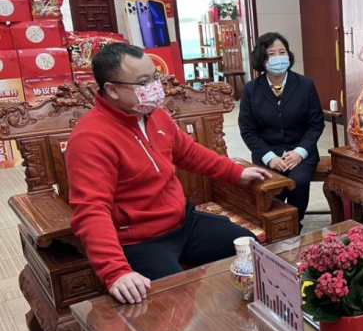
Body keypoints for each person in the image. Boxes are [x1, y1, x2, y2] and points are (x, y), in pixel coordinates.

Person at [67, 43, 271, 305]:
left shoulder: (156, 115)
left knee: (247, 249)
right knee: (172, 298)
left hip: (183, 222)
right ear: (112, 89)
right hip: (140, 240)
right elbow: (91, 209)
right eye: (143, 82)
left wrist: (236, 172)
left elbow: (190, 153)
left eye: (155, 77)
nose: (154, 87)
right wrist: (115, 271)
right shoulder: (90, 138)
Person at [239, 32, 324, 223]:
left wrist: (299, 152)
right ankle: (277, 227)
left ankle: (295, 224)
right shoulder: (251, 89)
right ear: (262, 59)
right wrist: (269, 157)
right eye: (271, 54)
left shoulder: (305, 84)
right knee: (274, 188)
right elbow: (247, 130)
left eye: (282, 52)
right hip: (267, 153)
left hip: (301, 152)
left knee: (298, 181)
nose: (278, 57)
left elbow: (316, 124)